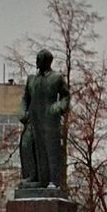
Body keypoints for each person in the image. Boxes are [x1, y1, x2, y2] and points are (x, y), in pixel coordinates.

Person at [18, 49, 70, 189]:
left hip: (48, 119)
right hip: (32, 119)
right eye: (36, 59)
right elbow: (25, 98)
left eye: (39, 59)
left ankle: (53, 181)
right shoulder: (32, 80)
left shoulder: (56, 78)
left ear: (47, 61)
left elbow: (66, 96)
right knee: (26, 145)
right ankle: (32, 176)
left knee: (50, 150)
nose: (36, 62)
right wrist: (22, 112)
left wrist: (58, 107)